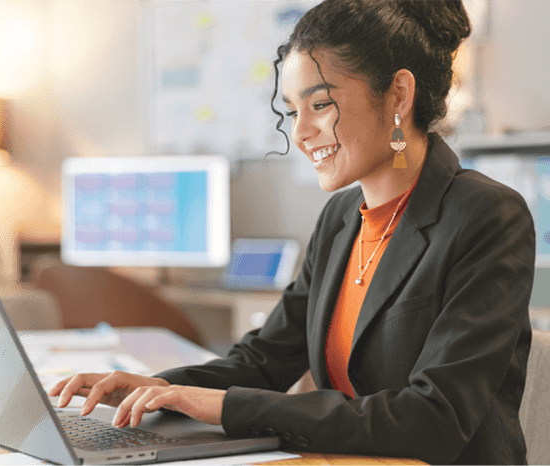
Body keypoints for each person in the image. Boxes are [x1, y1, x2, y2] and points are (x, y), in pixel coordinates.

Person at [47, 1, 533, 464]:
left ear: (398, 96)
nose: (300, 133)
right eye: (291, 111)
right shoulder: (343, 216)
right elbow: (263, 361)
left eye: (319, 104)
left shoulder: (486, 216)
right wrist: (152, 388)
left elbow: (433, 419)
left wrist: (228, 407)